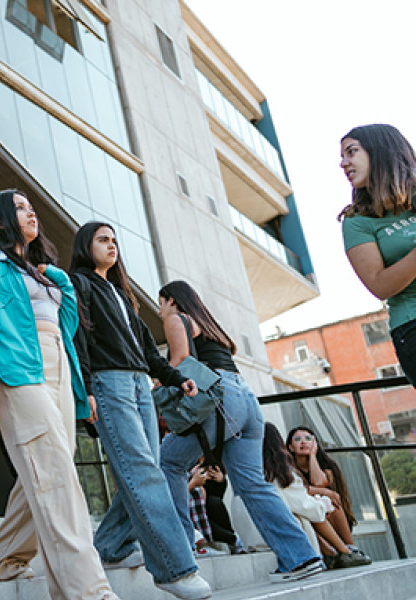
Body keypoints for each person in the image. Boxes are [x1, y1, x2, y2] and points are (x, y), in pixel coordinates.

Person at [0, 189, 116, 600]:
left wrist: (58, 280)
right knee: (56, 473)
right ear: (3, 219)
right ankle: (88, 590)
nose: (32, 212)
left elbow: (69, 327)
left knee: (41, 473)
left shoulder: (44, 272)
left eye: (32, 206)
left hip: (58, 365)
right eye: (22, 207)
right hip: (16, 369)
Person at [68, 222, 210, 600]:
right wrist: (84, 390)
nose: (111, 246)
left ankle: (108, 547)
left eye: (114, 240)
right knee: (143, 472)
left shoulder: (120, 292)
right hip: (107, 384)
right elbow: (76, 339)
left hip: (138, 386)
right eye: (103, 240)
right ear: (86, 245)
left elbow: (147, 350)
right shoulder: (78, 284)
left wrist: (176, 378)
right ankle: (173, 569)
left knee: (143, 470)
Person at [157, 280, 326, 583]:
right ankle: (302, 558)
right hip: (245, 401)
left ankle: (182, 547)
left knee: (168, 462)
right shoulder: (210, 324)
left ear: (171, 300)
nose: (160, 311)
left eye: (160, 303)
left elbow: (180, 360)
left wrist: (155, 385)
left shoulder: (175, 318)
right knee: (252, 485)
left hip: (218, 401)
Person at [339, 124, 416, 386]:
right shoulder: (356, 221)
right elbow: (380, 285)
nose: (343, 163)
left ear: (380, 150)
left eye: (351, 152)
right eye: (343, 156)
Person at [264, 423, 370, 569]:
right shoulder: (286, 470)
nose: (303, 442)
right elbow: (301, 493)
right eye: (298, 439)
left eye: (308, 439)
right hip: (316, 517)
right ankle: (332, 554)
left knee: (327, 503)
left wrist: (313, 456)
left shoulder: (328, 466)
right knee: (312, 506)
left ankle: (350, 549)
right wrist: (325, 492)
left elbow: (319, 483)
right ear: (289, 447)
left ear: (315, 444)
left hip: (334, 518)